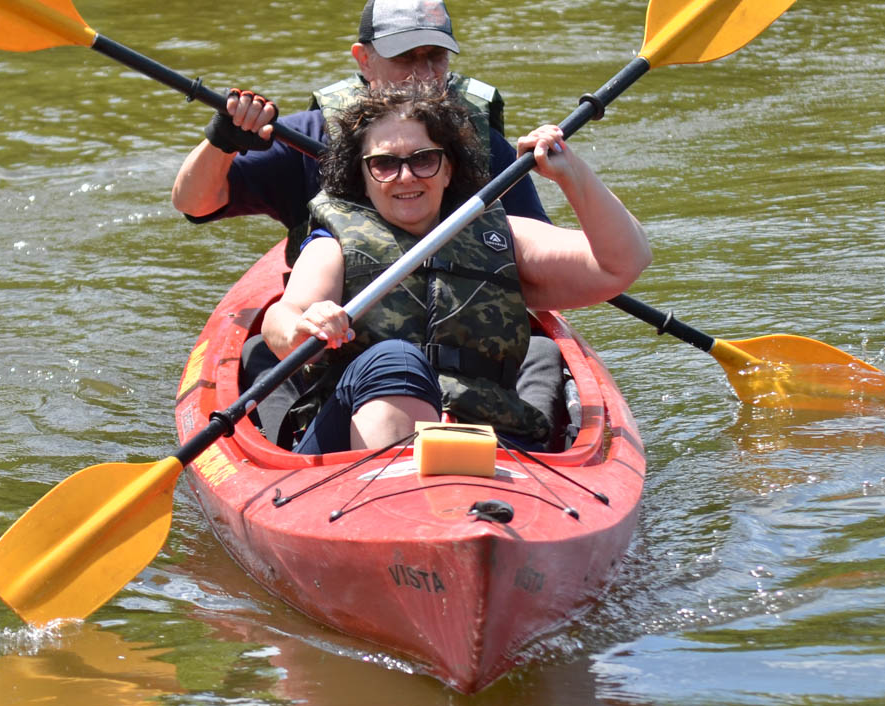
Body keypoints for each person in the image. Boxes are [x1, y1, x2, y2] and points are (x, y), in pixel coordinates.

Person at [261, 81, 651, 454]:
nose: (406, 176)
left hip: (485, 440)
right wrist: (302, 327)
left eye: (424, 159)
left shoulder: (499, 236)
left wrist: (572, 175)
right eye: (384, 164)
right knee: (395, 359)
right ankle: (403, 486)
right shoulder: (334, 244)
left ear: (448, 169)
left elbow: (623, 263)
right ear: (362, 177)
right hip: (350, 447)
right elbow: (282, 316)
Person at [170, 0, 548, 250]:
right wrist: (221, 143)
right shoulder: (310, 137)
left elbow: (541, 247)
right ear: (363, 59)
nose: (424, 75)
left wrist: (568, 172)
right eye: (405, 58)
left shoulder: (479, 140)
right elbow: (194, 203)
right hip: (340, 318)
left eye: (435, 57)